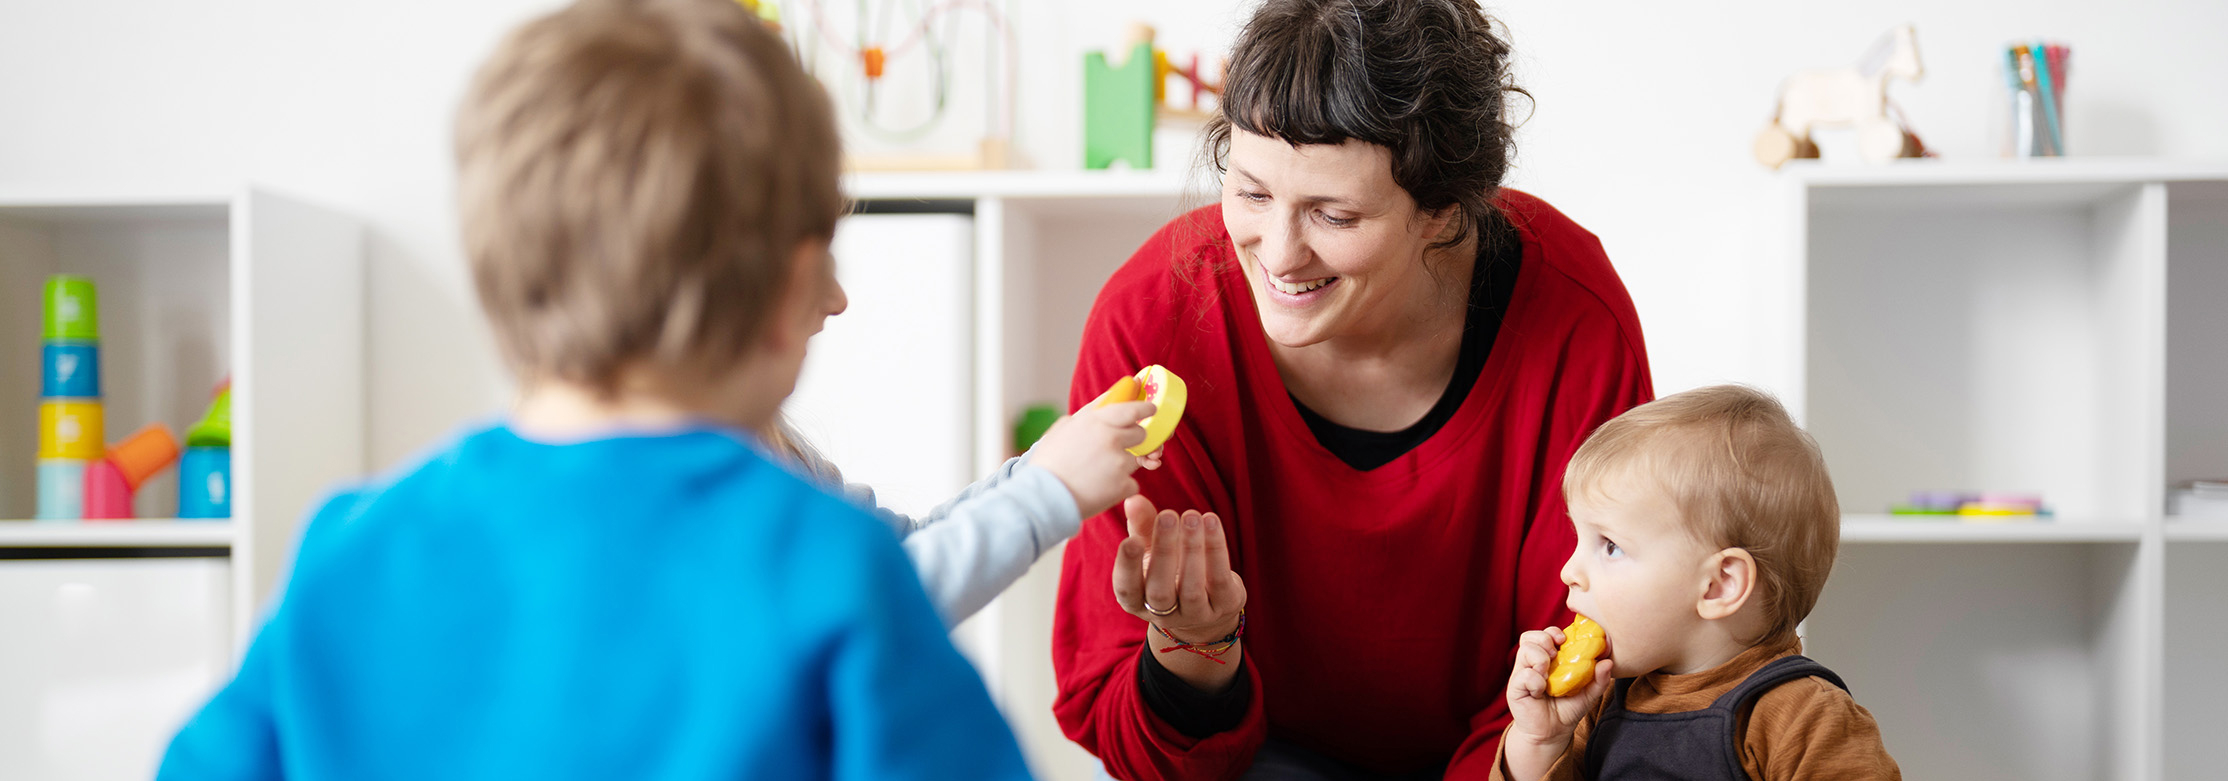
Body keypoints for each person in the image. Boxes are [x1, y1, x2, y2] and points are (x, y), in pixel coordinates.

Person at [157, 1, 1029, 778]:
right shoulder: (832, 569)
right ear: (789, 290)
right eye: (827, 269)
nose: (836, 298)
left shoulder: (350, 549)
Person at [1051, 0, 1654, 778]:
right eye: (1252, 193)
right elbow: (1123, 716)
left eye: (1333, 215)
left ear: (1442, 208)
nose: (1279, 254)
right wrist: (1192, 648)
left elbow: (1592, 657)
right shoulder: (1154, 319)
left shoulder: (1574, 319)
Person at [1495, 385, 1900, 780]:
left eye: (1611, 546)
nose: (1569, 571)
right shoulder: (1601, 706)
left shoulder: (1805, 718)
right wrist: (1540, 739)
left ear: (1718, 585)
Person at [764, 387, 1160, 627]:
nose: (837, 300)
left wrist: (1050, 459)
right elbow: (878, 596)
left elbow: (903, 553)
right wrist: (1050, 490)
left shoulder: (783, 451)